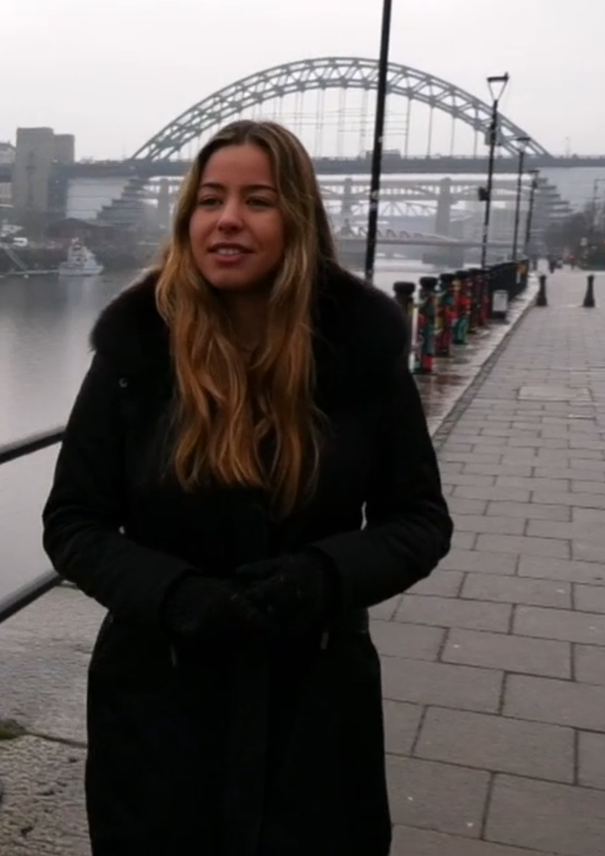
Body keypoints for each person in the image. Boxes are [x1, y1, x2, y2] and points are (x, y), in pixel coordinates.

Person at [41, 120, 454, 855]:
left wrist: (322, 577)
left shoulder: (361, 353)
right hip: (160, 698)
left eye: (257, 200)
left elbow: (418, 520)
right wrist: (173, 595)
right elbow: (75, 522)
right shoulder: (137, 351)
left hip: (316, 699)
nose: (227, 219)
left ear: (298, 218)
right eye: (209, 200)